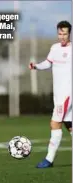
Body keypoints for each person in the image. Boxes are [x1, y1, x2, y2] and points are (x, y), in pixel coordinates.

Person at [29, 20, 72, 168]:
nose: (62, 37)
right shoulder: (54, 48)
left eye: (65, 34)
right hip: (58, 94)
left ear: (69, 34)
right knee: (69, 125)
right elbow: (48, 63)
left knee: (55, 123)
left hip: (68, 94)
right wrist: (36, 66)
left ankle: (49, 159)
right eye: (60, 33)